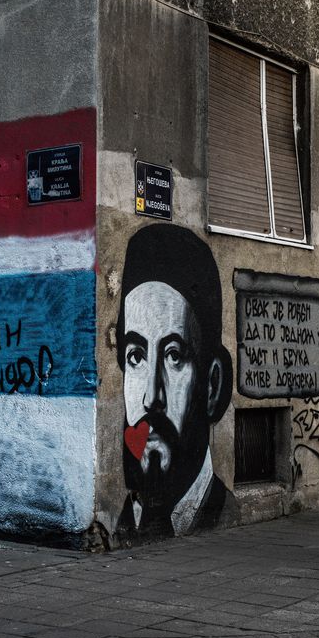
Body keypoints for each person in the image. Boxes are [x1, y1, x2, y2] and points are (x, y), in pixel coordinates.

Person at [113, 224, 239, 544]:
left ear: (212, 384)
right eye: (136, 357)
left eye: (173, 356)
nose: (151, 397)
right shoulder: (123, 521)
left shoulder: (224, 512)